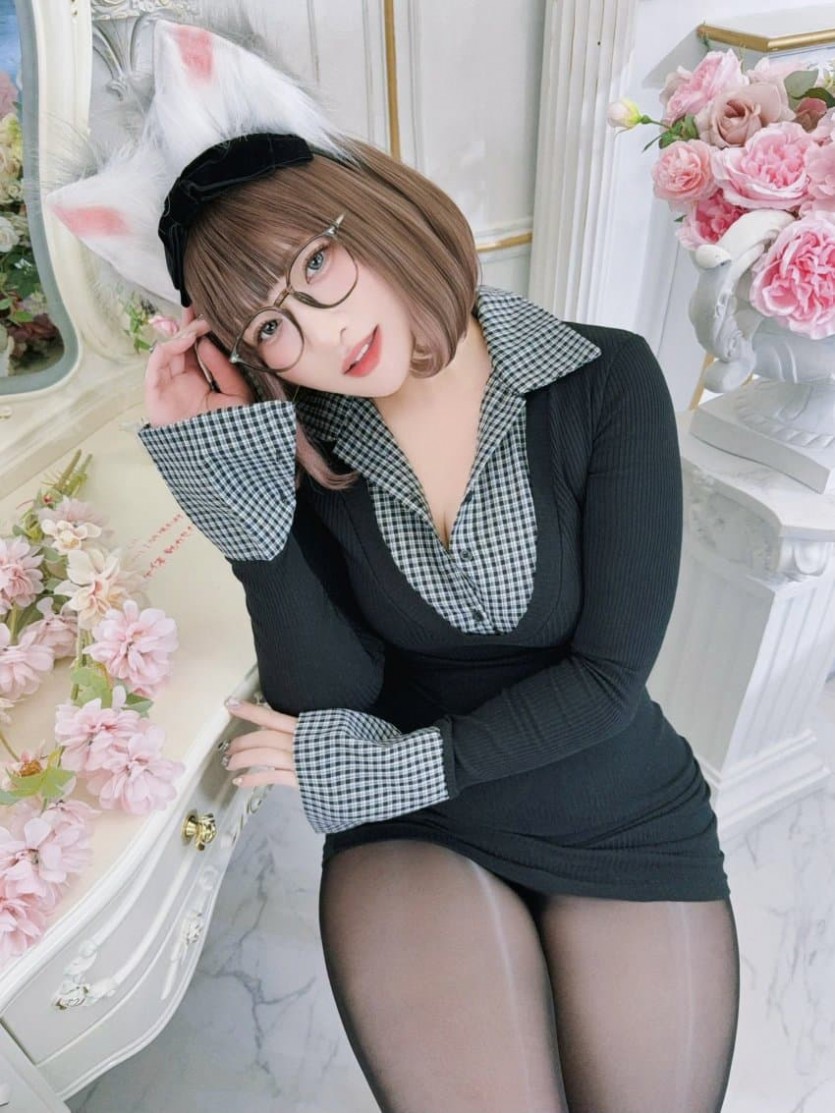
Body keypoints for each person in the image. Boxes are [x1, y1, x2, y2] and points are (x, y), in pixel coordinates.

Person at [50, 21, 740, 1113]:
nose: (322, 334)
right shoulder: (315, 448)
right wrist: (250, 520)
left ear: (366, 208)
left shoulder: (603, 379)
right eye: (271, 326)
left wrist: (384, 766)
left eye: (315, 263)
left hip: (612, 811)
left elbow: (607, 679)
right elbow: (336, 697)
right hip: (417, 834)